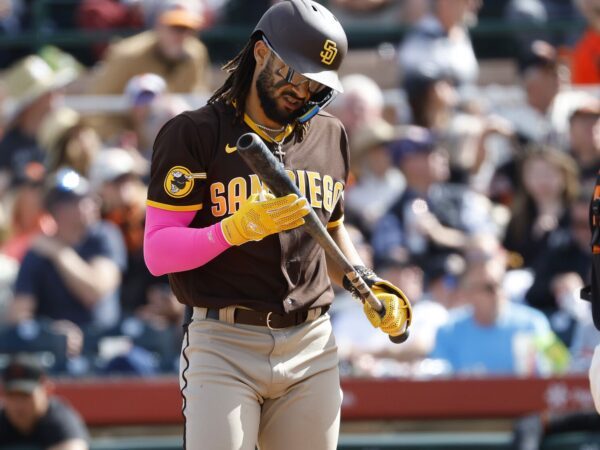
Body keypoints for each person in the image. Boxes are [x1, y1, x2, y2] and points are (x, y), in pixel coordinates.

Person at [143, 1, 412, 448]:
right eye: (297, 71)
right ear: (263, 53)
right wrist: (232, 229)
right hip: (224, 341)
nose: (304, 89)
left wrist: (364, 280)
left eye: (317, 81)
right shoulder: (194, 133)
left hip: (311, 344)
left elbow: (331, 228)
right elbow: (157, 252)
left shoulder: (330, 135)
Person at [8, 169, 126, 355]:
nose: (94, 204)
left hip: (105, 346)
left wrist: (59, 253)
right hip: (58, 352)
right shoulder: (38, 252)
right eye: (82, 200)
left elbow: (95, 290)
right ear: (59, 209)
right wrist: (47, 331)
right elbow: (18, 315)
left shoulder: (105, 236)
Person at [86, 0, 210, 141]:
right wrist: (118, 137)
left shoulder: (196, 53)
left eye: (188, 28)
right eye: (175, 27)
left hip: (176, 140)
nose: (181, 35)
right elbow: (98, 106)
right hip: (128, 144)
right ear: (158, 25)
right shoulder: (127, 55)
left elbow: (196, 98)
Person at [0, 354, 89, 449]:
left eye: (25, 395)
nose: (18, 404)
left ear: (46, 390)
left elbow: (74, 446)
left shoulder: (58, 417)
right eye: (12, 396)